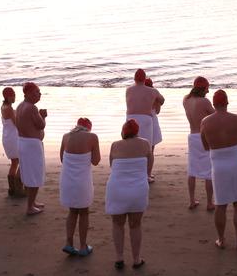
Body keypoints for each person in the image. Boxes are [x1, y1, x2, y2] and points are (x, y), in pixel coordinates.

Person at [201, 90, 237, 252]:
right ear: (227, 102)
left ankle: (222, 240)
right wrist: (234, 150)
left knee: (221, 204)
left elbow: (205, 146)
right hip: (236, 162)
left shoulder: (205, 122)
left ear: (214, 104)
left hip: (218, 165)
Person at [105, 119, 151, 269]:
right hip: (138, 188)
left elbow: (112, 165)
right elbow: (149, 168)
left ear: (123, 132)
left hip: (117, 187)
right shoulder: (145, 143)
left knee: (117, 224)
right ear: (137, 132)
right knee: (135, 225)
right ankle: (136, 259)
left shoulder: (115, 145)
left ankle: (119, 258)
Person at [59, 118, 100, 257]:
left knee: (72, 211)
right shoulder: (92, 137)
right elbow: (96, 161)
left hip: (68, 180)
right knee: (83, 212)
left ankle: (69, 243)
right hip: (82, 181)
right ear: (88, 128)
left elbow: (62, 159)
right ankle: (83, 246)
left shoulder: (65, 137)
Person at [125, 68, 165, 183]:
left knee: (131, 146)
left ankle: (132, 173)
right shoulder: (152, 91)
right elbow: (162, 100)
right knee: (148, 149)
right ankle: (147, 175)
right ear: (144, 78)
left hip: (130, 118)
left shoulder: (128, 90)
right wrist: (155, 98)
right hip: (145, 118)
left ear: (134, 78)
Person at [182, 76, 215, 211]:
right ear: (203, 88)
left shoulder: (186, 100)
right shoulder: (205, 102)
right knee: (208, 171)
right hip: (204, 136)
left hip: (192, 136)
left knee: (192, 170)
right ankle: (209, 202)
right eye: (207, 88)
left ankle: (191, 200)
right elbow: (215, 115)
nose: (208, 91)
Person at [16, 82, 47, 216]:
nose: (39, 95)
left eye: (39, 92)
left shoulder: (20, 106)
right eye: (37, 92)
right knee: (34, 174)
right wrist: (43, 116)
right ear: (28, 94)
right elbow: (40, 125)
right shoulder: (31, 108)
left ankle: (32, 202)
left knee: (29, 173)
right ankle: (30, 206)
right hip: (32, 145)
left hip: (23, 142)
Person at [1, 87, 23, 196]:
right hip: (13, 137)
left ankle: (12, 189)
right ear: (7, 96)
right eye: (12, 95)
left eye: (14, 95)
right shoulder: (8, 108)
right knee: (19, 161)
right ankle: (17, 188)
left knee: (14, 162)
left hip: (7, 136)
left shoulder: (4, 106)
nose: (14, 97)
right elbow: (17, 123)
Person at [144, 78, 163, 181]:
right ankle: (148, 173)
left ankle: (144, 173)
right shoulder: (155, 96)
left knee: (142, 148)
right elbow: (158, 111)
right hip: (153, 121)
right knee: (151, 150)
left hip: (143, 121)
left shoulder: (140, 96)